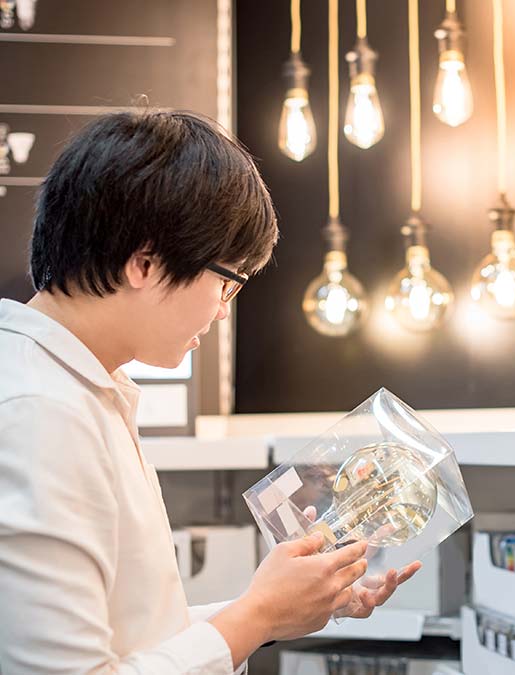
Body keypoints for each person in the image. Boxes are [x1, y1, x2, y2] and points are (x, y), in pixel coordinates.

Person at [0, 111, 421, 674]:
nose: (223, 311)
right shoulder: (38, 412)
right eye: (226, 281)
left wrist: (277, 607)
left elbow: (133, 633)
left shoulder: (78, 390)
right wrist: (258, 616)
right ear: (145, 263)